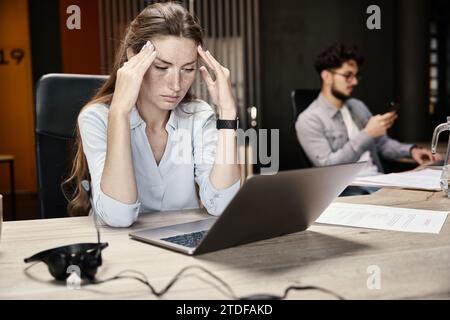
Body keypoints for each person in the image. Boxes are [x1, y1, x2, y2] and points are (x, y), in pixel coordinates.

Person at [63, 2, 240, 227]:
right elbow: (119, 216)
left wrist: (227, 112)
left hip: (180, 247)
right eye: (161, 67)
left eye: (188, 69)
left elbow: (223, 205)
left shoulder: (197, 115)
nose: (176, 85)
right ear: (133, 58)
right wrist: (119, 113)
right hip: (120, 250)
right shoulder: (96, 118)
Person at [295, 43, 441, 183]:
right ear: (326, 76)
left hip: (379, 182)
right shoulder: (309, 119)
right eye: (347, 75)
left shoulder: (357, 106)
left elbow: (382, 144)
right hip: (348, 193)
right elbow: (327, 168)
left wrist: (411, 151)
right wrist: (367, 134)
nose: (354, 82)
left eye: (356, 76)